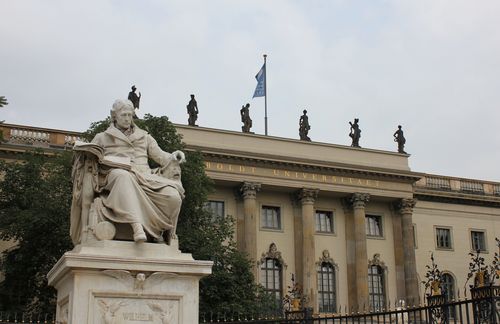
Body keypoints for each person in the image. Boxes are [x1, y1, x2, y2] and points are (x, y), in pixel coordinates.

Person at [70, 99, 185, 244]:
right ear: (114, 116)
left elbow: (161, 156)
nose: (127, 119)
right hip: (113, 175)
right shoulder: (102, 137)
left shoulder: (145, 137)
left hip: (144, 176)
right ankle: (137, 227)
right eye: (124, 115)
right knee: (123, 176)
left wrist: (174, 156)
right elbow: (91, 156)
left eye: (130, 115)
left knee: (173, 195)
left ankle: (157, 232)